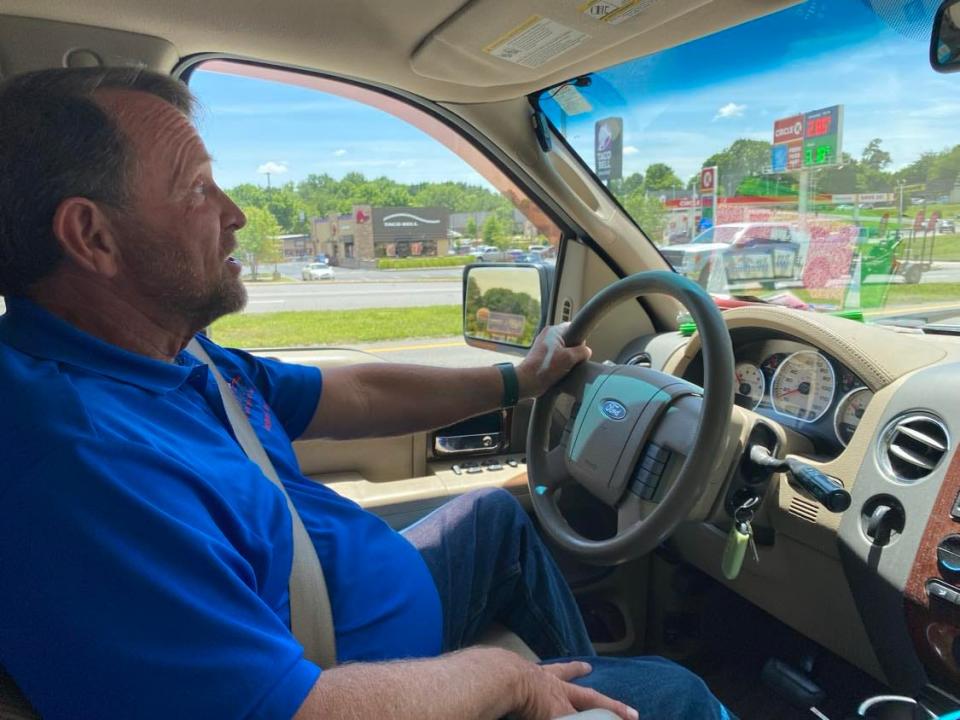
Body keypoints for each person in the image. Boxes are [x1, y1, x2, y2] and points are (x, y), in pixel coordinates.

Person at [0, 67, 733, 719]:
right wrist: (506, 680)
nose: (236, 213)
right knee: (678, 695)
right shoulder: (77, 464)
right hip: (331, 681)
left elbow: (350, 394)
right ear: (93, 238)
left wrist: (519, 380)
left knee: (495, 523)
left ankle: (582, 688)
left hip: (339, 612)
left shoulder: (165, 351)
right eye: (196, 188)